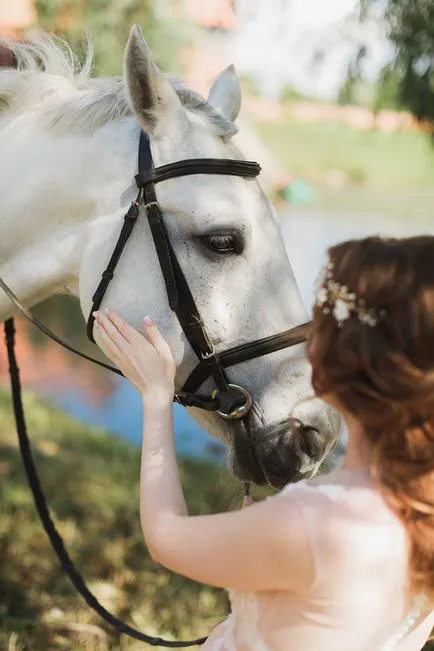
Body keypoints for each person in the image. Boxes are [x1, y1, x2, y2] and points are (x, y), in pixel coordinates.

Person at [92, 235, 434, 651]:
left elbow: (166, 536)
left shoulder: (313, 523)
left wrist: (156, 397)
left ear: (335, 365)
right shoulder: (419, 509)